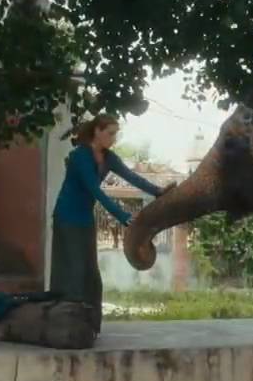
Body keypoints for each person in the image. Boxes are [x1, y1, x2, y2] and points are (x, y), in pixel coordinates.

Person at [50, 114, 169, 334]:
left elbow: (132, 177)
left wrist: (158, 192)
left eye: (116, 134)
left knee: (91, 275)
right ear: (97, 131)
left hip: (85, 218)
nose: (114, 138)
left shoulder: (108, 157)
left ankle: (91, 327)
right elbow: (95, 190)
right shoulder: (80, 156)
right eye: (110, 133)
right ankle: (66, 325)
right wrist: (122, 216)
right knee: (73, 272)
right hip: (67, 217)